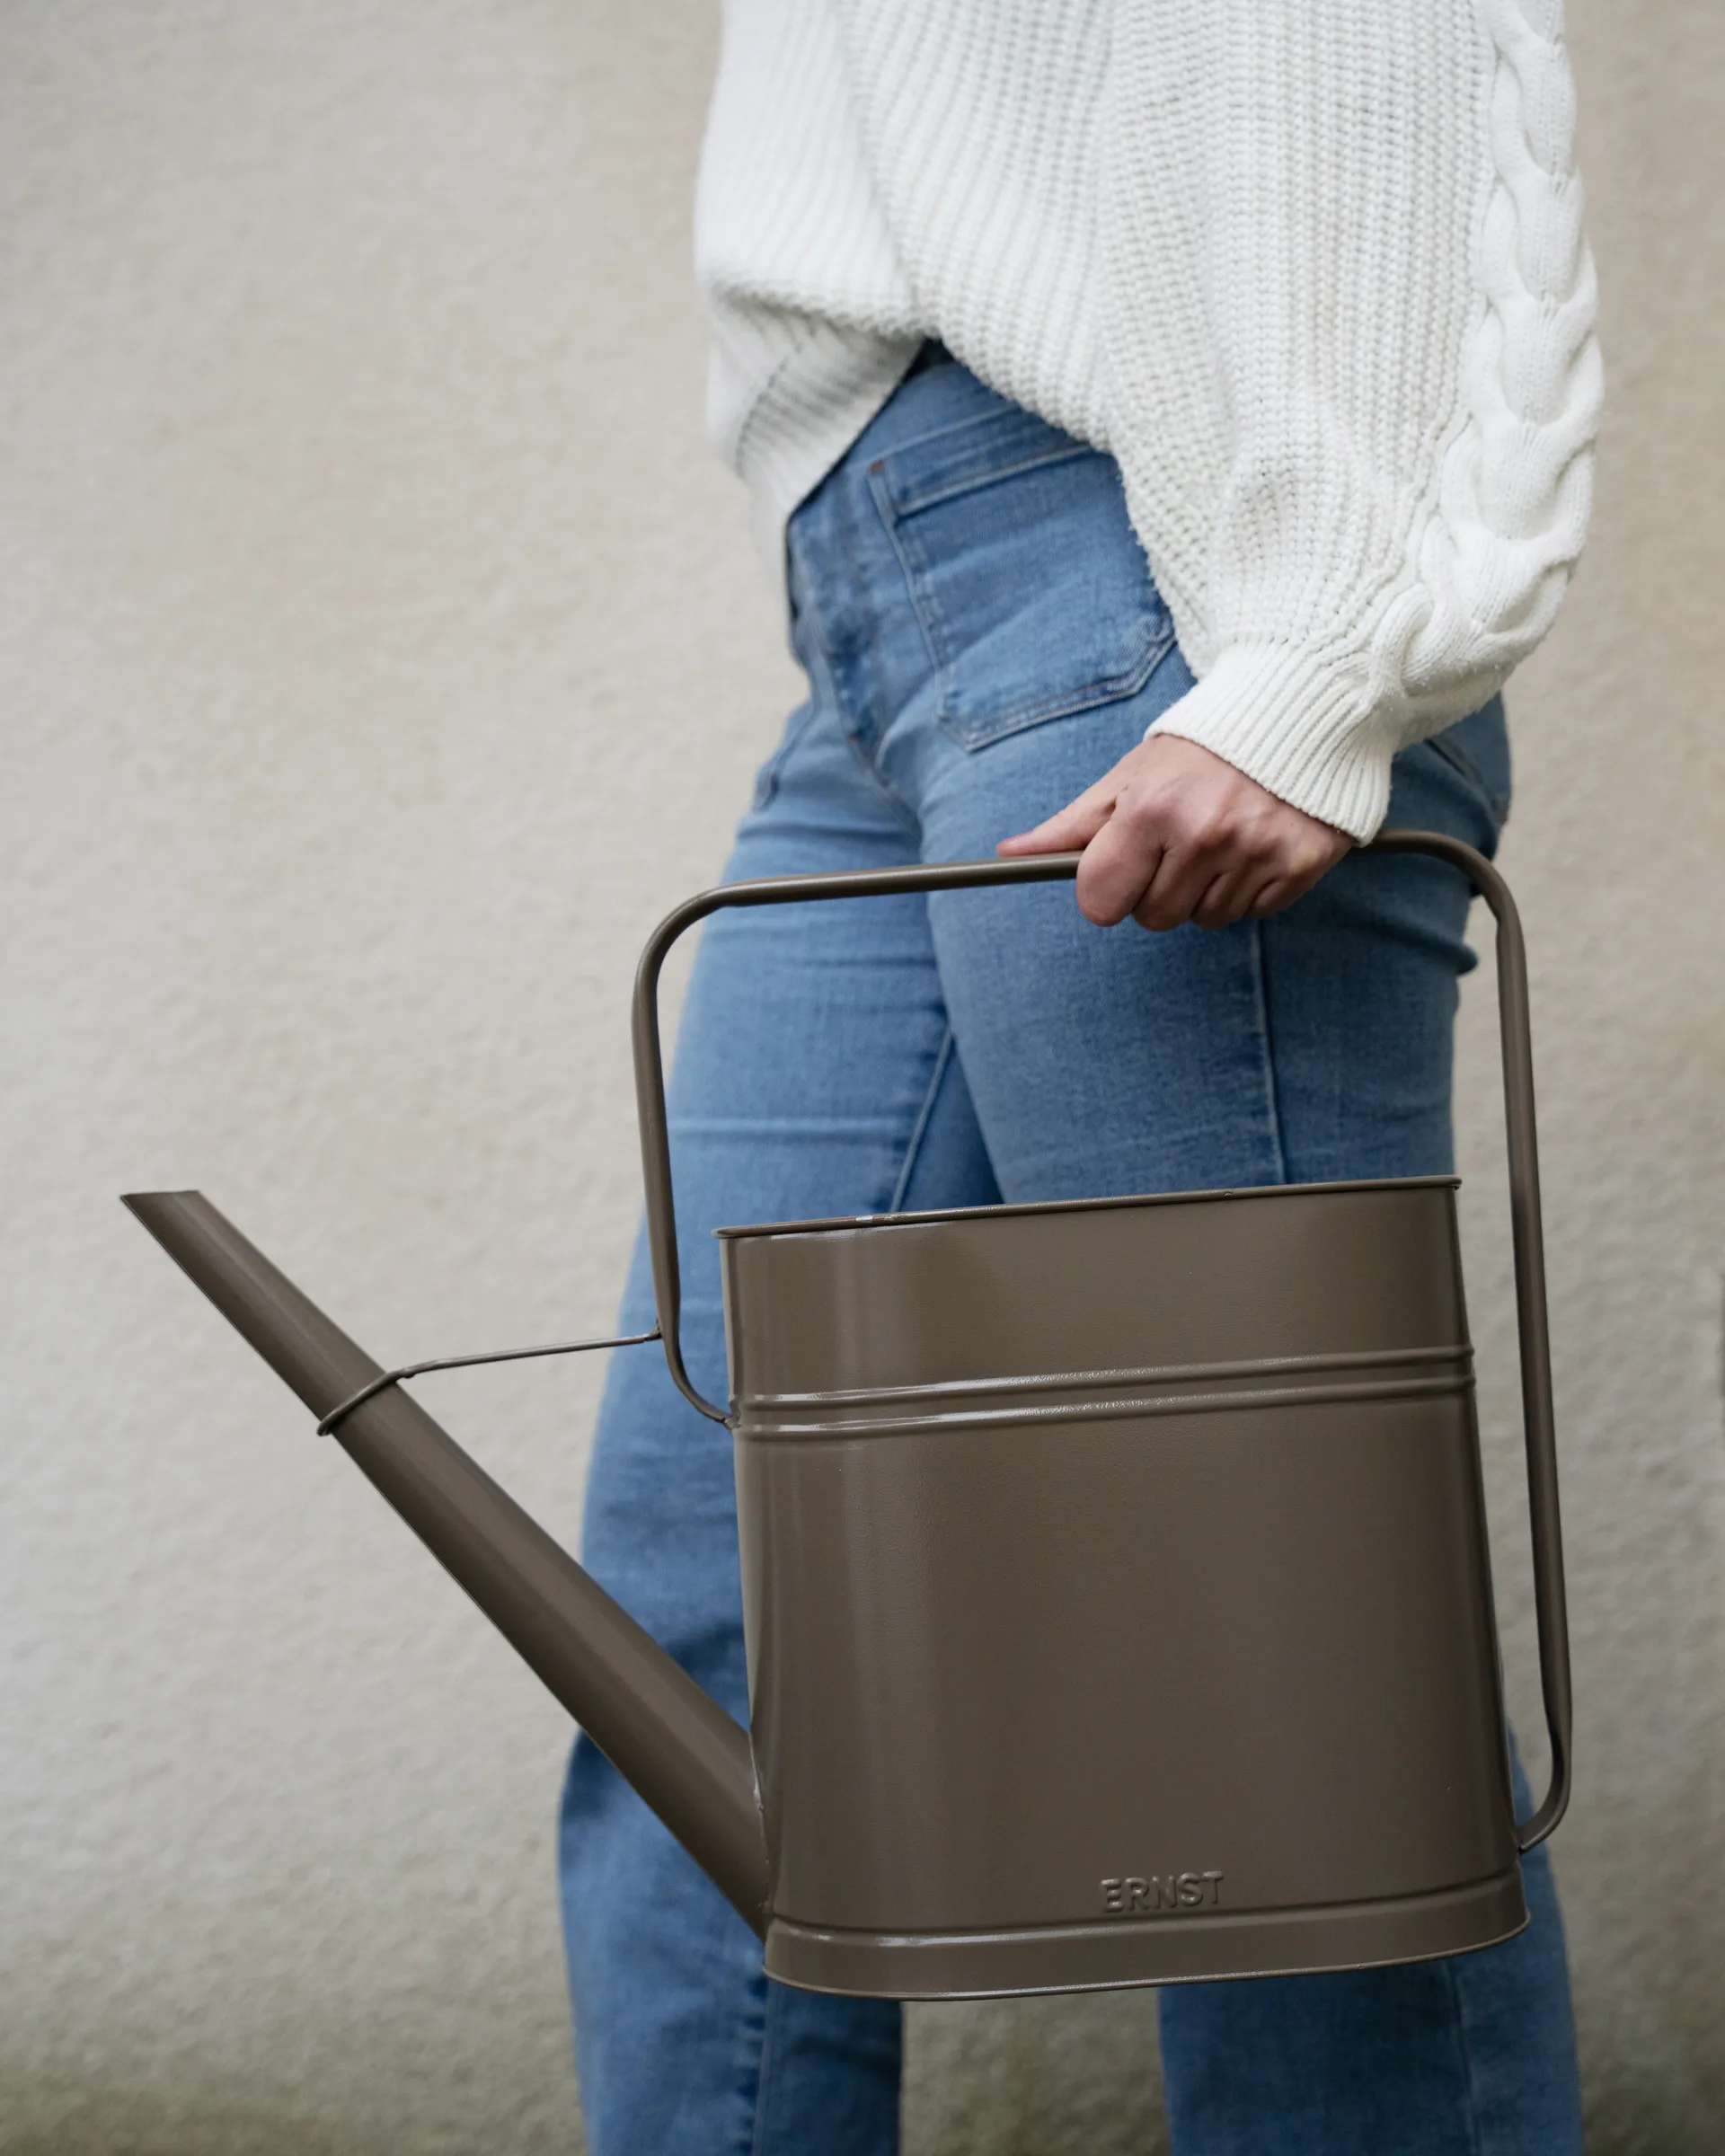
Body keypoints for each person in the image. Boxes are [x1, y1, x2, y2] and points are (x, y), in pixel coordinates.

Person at [560, 4, 1601, 2151]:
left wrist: (1312, 649)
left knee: (1285, 1680)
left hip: (1133, 601)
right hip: (874, 630)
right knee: (691, 1615)